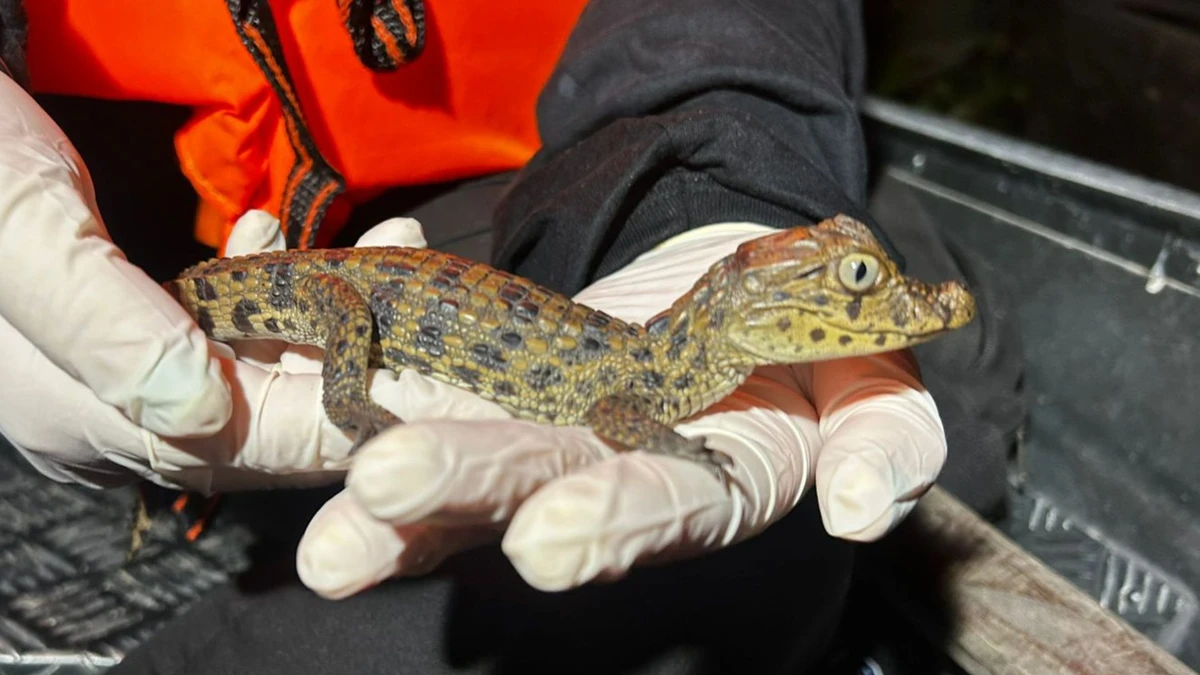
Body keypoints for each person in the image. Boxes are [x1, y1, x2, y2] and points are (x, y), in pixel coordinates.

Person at [0, 0, 1023, 672]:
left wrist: (718, 189)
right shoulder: (663, 377)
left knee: (929, 429)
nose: (875, 297)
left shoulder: (687, 350)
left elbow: (630, 397)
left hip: (553, 158)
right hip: (217, 227)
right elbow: (629, 412)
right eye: (849, 283)